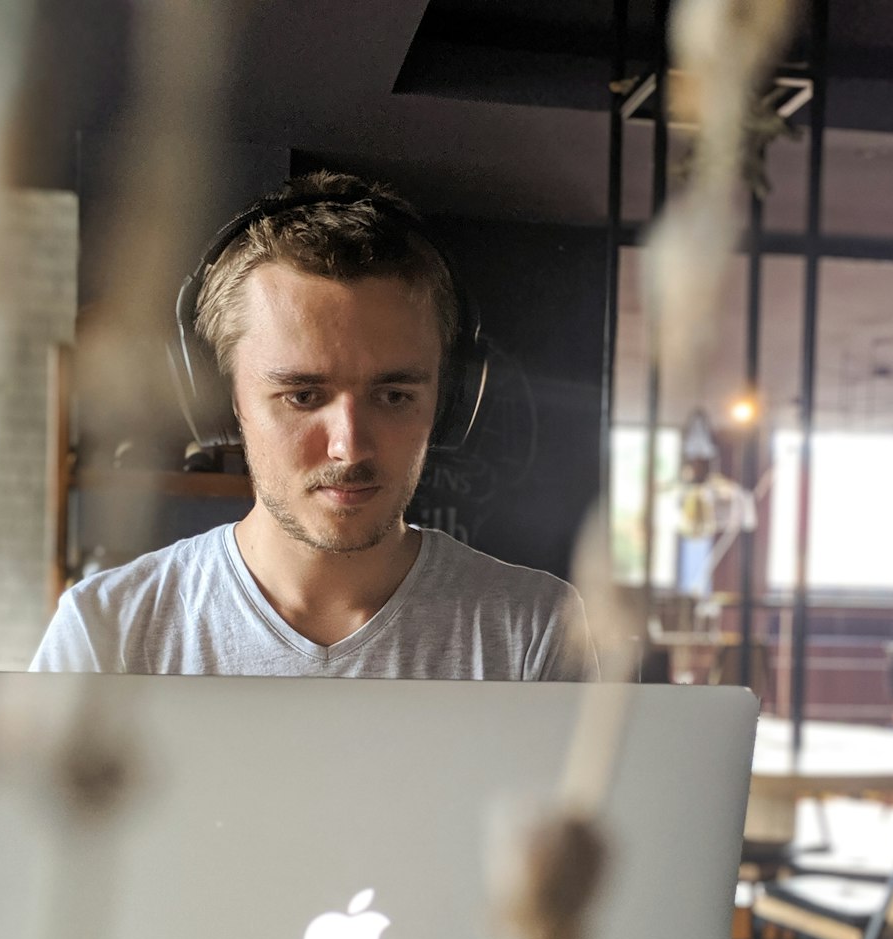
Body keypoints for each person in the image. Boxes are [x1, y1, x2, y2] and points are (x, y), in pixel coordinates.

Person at [30, 170, 597, 680]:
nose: (349, 445)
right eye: (302, 395)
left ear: (449, 401)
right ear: (224, 399)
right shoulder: (106, 633)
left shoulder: (535, 634)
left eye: (395, 395)